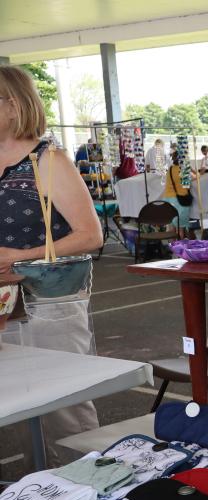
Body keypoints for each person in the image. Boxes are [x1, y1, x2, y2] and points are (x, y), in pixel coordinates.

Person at [0, 65, 103, 466]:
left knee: (65, 407)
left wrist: (17, 257)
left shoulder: (49, 159)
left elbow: (90, 236)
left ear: (13, 105)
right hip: (6, 303)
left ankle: (92, 491)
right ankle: (47, 492)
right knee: (22, 406)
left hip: (49, 300)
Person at [161, 149, 195, 237]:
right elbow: (195, 178)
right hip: (180, 200)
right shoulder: (185, 169)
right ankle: (180, 246)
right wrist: (192, 169)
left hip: (168, 199)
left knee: (171, 225)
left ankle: (172, 246)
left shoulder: (170, 169)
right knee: (180, 227)